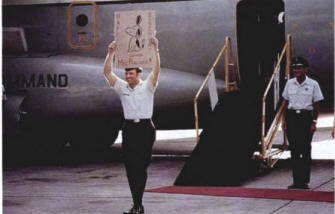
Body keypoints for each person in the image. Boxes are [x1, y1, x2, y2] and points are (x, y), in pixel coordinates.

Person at [103, 37, 160, 214]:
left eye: (131, 74)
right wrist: (110, 53)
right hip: (129, 129)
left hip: (145, 129)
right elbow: (107, 73)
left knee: (141, 166)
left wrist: (155, 49)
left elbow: (157, 71)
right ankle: (137, 205)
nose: (128, 76)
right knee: (130, 167)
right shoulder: (122, 87)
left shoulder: (148, 86)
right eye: (126, 74)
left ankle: (138, 203)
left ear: (139, 74)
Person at [282, 56, 324, 189]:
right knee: (294, 150)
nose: (296, 70)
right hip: (292, 118)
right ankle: (296, 181)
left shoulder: (313, 84)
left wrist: (314, 122)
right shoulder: (289, 83)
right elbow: (286, 102)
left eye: (299, 68)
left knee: (305, 150)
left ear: (306, 69)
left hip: (306, 119)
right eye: (294, 68)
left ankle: (304, 181)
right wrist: (284, 121)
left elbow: (316, 104)